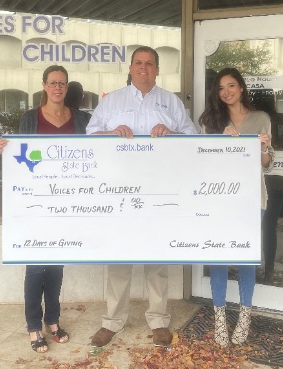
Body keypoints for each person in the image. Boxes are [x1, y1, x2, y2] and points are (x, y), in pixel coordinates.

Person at [86, 46, 198, 349]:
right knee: (119, 257)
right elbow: (90, 136)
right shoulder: (112, 101)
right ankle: (111, 322)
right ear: (131, 68)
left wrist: (171, 133)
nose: (144, 68)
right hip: (119, 191)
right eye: (139, 63)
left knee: (156, 257)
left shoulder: (171, 101)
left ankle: (159, 320)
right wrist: (110, 134)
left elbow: (192, 138)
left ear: (157, 70)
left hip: (158, 190)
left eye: (150, 64)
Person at [0, 65, 91, 353]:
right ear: (44, 86)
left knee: (56, 268)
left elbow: (96, 149)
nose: (58, 88)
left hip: (67, 203)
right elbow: (24, 155)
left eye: (62, 83)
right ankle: (33, 328)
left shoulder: (81, 119)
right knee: (35, 268)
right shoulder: (30, 118)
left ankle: (53, 321)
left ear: (67, 87)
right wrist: (7, 148)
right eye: (53, 83)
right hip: (36, 204)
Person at [198, 67, 274, 347]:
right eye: (221, 88)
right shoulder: (210, 121)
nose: (226, 92)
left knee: (245, 258)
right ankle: (220, 317)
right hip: (219, 199)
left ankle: (244, 316)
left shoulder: (261, 119)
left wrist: (263, 148)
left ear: (241, 88)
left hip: (252, 198)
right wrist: (220, 141)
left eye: (231, 86)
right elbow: (202, 161)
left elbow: (266, 164)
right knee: (217, 256)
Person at [251, 91, 283, 284]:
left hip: (265, 181)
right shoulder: (281, 119)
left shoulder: (257, 121)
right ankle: (269, 270)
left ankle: (255, 269)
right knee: (269, 226)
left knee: (254, 227)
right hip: (277, 182)